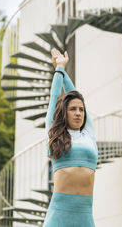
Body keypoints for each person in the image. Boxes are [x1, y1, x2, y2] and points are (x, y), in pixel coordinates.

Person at [43, 48, 98, 227]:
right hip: (59, 213)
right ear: (64, 113)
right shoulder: (56, 135)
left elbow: (73, 91)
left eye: (81, 109)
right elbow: (53, 98)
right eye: (72, 109)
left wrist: (62, 68)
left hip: (85, 213)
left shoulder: (88, 134)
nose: (78, 113)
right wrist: (59, 69)